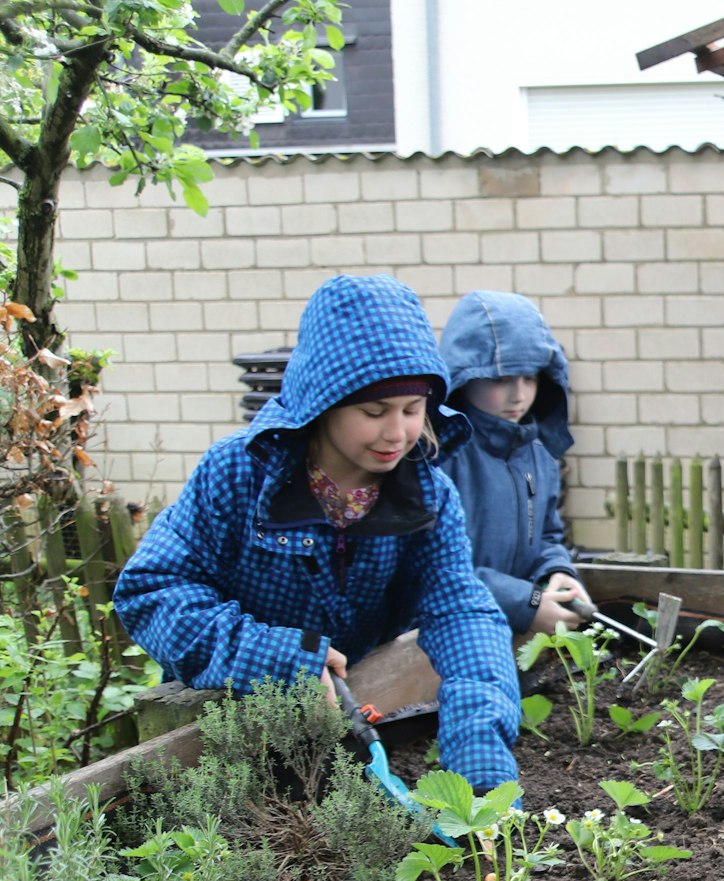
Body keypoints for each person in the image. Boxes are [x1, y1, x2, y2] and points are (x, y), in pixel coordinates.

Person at [115, 274, 521, 791]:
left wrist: (480, 761)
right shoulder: (238, 475)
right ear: (323, 403)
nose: (396, 433)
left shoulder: (428, 496)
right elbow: (151, 592)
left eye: (412, 410)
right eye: (374, 412)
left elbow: (461, 614)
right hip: (221, 733)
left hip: (349, 719)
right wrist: (276, 658)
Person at [438, 290, 586, 636]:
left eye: (531, 378)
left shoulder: (537, 451)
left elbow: (549, 535)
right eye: (501, 379)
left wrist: (555, 573)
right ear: (464, 376)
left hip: (518, 635)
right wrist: (526, 602)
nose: (518, 395)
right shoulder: (442, 456)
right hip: (449, 637)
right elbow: (436, 568)